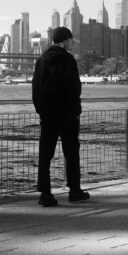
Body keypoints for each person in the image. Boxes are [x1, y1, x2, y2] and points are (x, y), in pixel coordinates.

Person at [32, 26, 90, 207]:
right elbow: (74, 89)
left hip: (48, 116)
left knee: (45, 154)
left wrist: (42, 111)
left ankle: (46, 194)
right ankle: (74, 191)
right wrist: (74, 111)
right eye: (71, 40)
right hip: (67, 116)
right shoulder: (68, 60)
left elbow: (36, 89)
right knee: (71, 153)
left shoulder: (41, 60)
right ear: (65, 41)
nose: (72, 43)